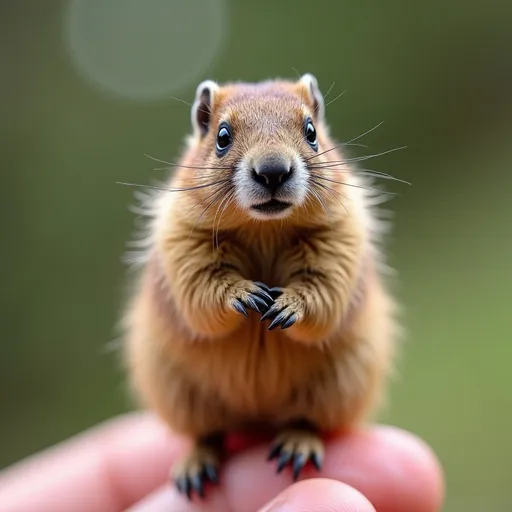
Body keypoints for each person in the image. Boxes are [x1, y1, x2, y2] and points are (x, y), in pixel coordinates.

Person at [0, 412, 444, 512]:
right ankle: (206, 443)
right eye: (220, 160)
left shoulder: (339, 218)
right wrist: (225, 295)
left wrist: (304, 302)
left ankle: (307, 426)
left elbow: (337, 300)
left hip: (307, 392)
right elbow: (191, 307)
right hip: (214, 398)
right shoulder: (187, 226)